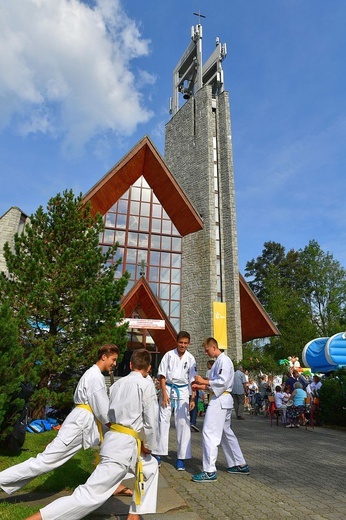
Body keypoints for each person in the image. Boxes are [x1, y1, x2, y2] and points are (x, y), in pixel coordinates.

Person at [25, 348, 159, 520]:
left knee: (150, 467)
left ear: (131, 364)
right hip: (123, 448)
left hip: (116, 440)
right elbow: (151, 423)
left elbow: (110, 414)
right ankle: (37, 518)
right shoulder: (146, 384)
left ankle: (134, 513)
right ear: (148, 369)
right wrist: (149, 446)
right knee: (88, 495)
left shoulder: (117, 384)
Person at [0, 344, 129, 497]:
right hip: (80, 424)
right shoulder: (95, 377)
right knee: (44, 462)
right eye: (113, 359)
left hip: (80, 421)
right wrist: (116, 427)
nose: (114, 364)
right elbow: (102, 411)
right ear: (104, 357)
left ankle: (113, 484)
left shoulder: (92, 374)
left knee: (111, 445)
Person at [191, 337, 249, 482]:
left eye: (207, 350)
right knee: (225, 432)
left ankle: (209, 471)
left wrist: (203, 381)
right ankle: (239, 463)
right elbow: (215, 384)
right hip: (223, 399)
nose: (206, 353)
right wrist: (200, 386)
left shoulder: (224, 360)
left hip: (220, 400)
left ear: (214, 347)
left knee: (209, 433)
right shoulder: (219, 362)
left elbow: (221, 382)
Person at [152, 331, 197, 471]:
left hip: (183, 392)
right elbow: (162, 376)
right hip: (168, 390)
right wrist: (164, 394)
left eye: (185, 343)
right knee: (162, 421)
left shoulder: (191, 359)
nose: (182, 345)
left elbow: (193, 380)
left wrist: (193, 398)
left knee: (183, 424)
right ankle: (159, 454)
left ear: (188, 343)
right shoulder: (168, 355)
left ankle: (181, 458)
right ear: (176, 342)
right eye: (180, 342)